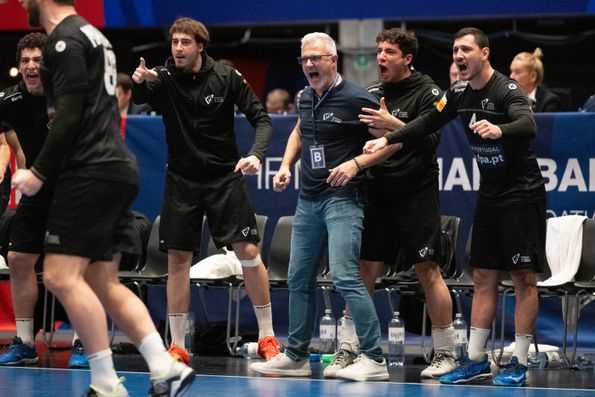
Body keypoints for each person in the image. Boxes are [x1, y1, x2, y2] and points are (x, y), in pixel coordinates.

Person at [14, 1, 194, 396]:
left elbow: (70, 114)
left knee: (61, 276)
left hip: (90, 170)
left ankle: (110, 380)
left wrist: (38, 172)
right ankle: (160, 367)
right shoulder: (93, 36)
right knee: (101, 280)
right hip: (113, 168)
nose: (21, 3)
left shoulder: (64, 40)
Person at [364, 27, 545, 387]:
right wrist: (388, 136)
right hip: (490, 195)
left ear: (485, 54)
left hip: (521, 194)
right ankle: (476, 359)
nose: (458, 56)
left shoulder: (506, 90)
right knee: (482, 276)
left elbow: (528, 124)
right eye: (454, 51)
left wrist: (500, 130)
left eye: (465, 50)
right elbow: (427, 122)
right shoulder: (458, 93)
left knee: (524, 279)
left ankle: (520, 362)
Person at [131, 17, 282, 364]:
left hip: (223, 178)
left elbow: (261, 118)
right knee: (177, 258)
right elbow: (144, 92)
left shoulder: (226, 77)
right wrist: (140, 82)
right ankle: (178, 346)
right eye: (174, 42)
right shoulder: (163, 77)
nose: (178, 48)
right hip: (181, 180)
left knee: (248, 249)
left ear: (200, 46)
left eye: (185, 42)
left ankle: (267, 337)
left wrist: (256, 154)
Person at [250, 32, 390, 382]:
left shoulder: (357, 98)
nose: (310, 65)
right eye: (304, 60)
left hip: (344, 200)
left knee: (344, 276)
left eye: (316, 58)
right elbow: (300, 130)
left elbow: (391, 144)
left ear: (333, 60)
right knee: (298, 278)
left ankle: (374, 358)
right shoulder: (305, 97)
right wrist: (285, 165)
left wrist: (357, 164)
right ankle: (296, 356)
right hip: (308, 200)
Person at [324, 27, 457, 380]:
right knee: (363, 270)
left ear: (407, 59)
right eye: (379, 50)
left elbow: (430, 140)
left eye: (389, 52)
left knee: (428, 270)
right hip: (378, 193)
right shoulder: (371, 93)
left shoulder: (429, 92)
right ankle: (349, 347)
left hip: (416, 193)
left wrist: (391, 125)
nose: (381, 57)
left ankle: (445, 353)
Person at [0, 31, 91, 369]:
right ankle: (24, 342)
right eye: (25, 61)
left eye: (38, 60)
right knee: (18, 258)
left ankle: (84, 342)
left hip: (73, 189)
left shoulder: (67, 97)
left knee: (76, 266)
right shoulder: (9, 101)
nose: (31, 66)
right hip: (37, 191)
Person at [509, 48, 560, 112]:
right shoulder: (507, 98)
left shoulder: (549, 101)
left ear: (533, 76)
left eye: (518, 72)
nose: (511, 77)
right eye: (511, 71)